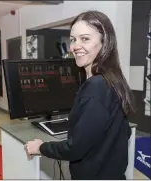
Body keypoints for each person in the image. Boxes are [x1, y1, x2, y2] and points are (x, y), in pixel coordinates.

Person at [24, 10, 136, 180]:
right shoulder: (113, 80)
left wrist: (41, 147)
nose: (75, 46)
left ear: (105, 42)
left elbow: (75, 148)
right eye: (73, 39)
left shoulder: (96, 86)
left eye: (85, 39)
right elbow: (124, 132)